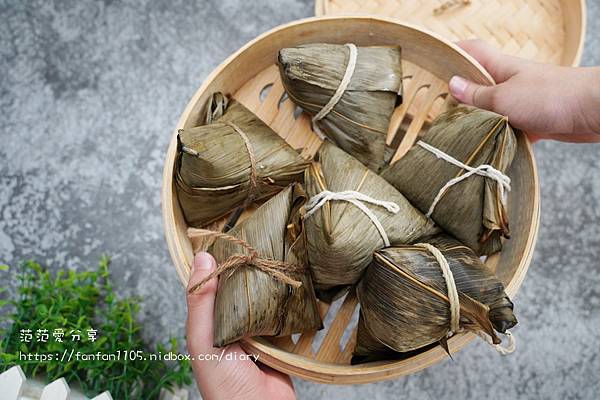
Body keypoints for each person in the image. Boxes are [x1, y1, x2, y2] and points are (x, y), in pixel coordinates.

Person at [184, 40, 600, 400]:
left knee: (337, 237)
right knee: (334, 236)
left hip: (384, 227)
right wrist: (582, 100)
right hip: (363, 219)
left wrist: (584, 101)